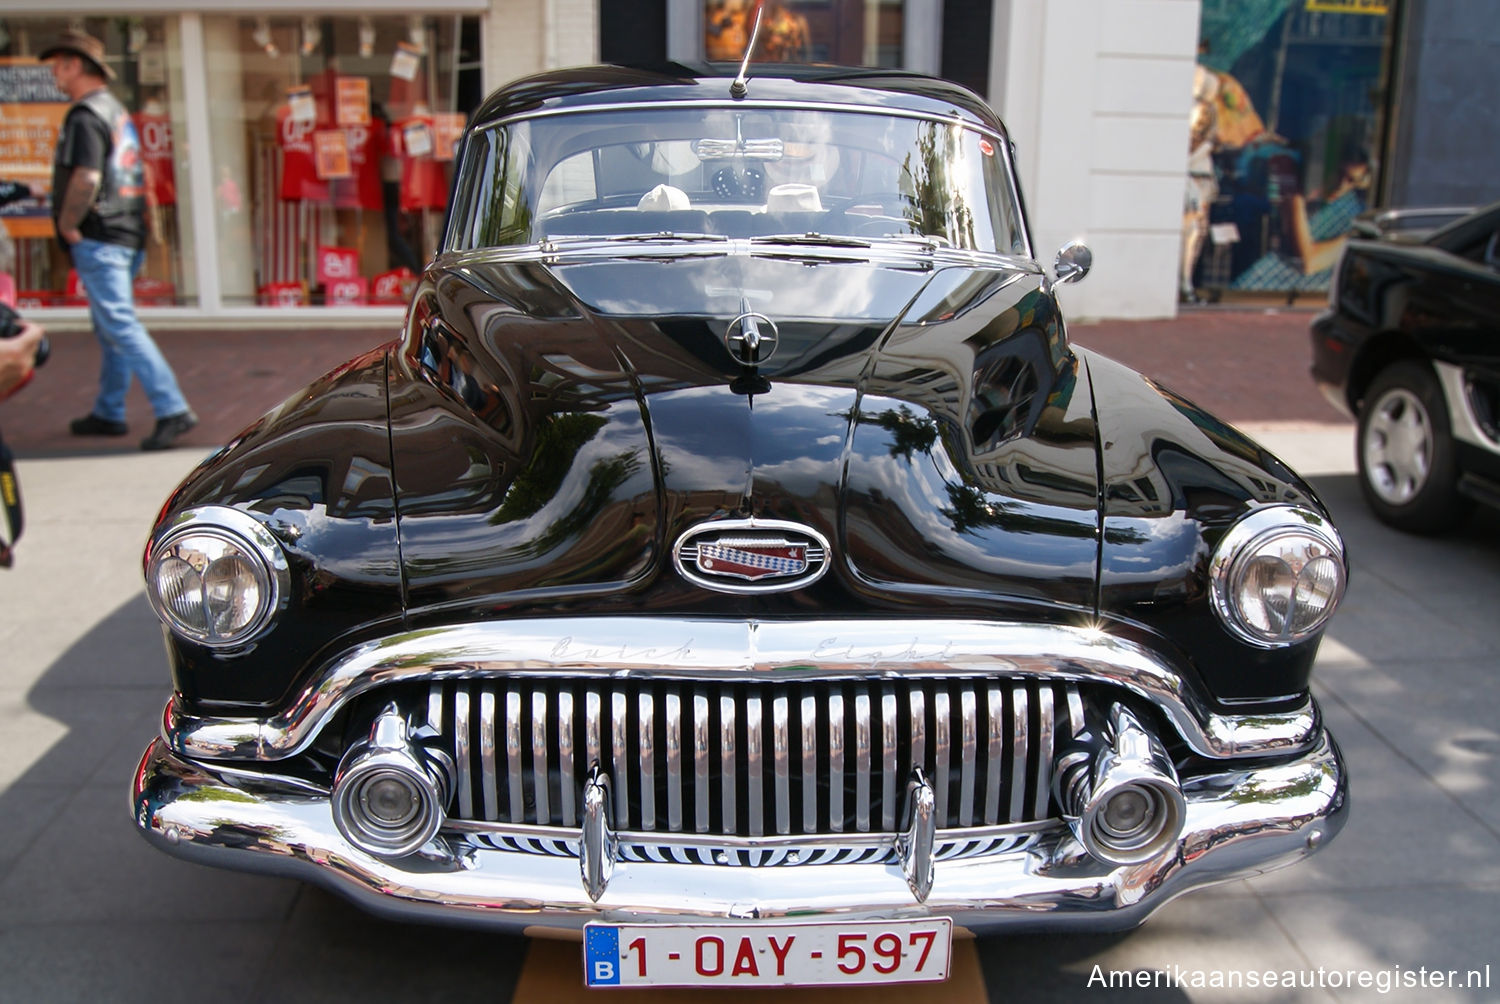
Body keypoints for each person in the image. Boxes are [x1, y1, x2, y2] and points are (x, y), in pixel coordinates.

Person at [40, 30, 196, 450]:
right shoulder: (114, 111)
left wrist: (70, 224)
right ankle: (110, 411)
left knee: (120, 325)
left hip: (101, 234)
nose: (55, 74)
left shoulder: (85, 115)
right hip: (127, 230)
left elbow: (87, 175)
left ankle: (172, 408)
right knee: (110, 324)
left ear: (75, 66)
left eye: (58, 65)